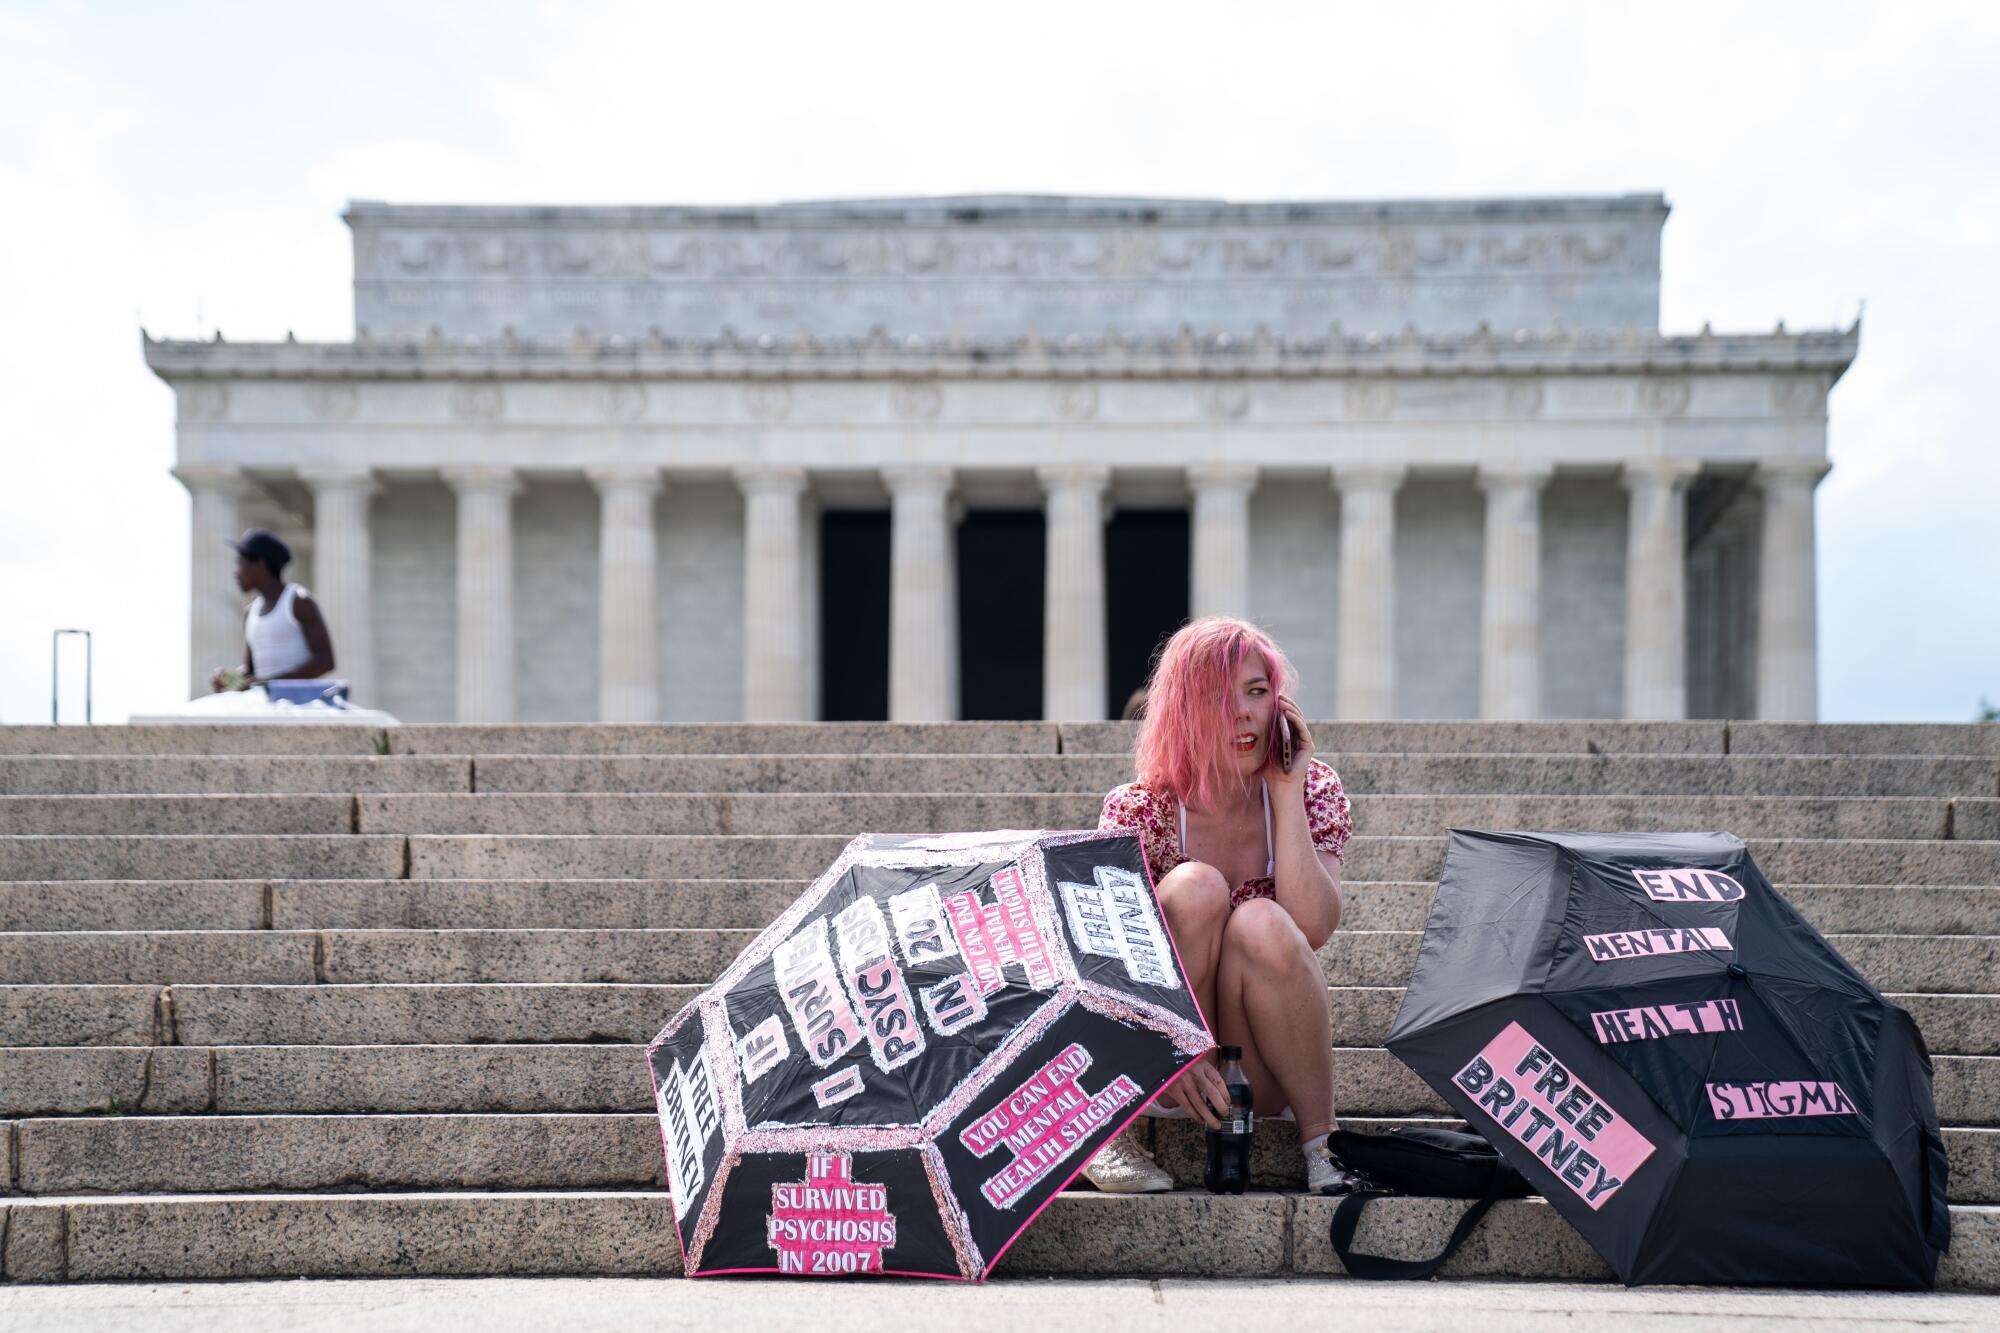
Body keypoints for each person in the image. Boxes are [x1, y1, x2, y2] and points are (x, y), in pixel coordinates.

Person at [1085, 616, 1365, 1196]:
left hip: (1254, 1069)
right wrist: (1181, 1049)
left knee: (1264, 920)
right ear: (1186, 708)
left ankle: (1323, 1143)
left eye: (1258, 692)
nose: (1244, 713)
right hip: (1160, 1060)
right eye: (1220, 696)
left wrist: (1286, 795)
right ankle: (1107, 1132)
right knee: (1197, 887)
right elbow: (1109, 969)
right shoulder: (1141, 809)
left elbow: (1311, 926)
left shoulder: (1311, 790)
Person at [208, 529, 338, 692]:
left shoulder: (299, 602)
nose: (236, 572)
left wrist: (270, 683)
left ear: (260, 565)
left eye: (241, 563)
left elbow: (325, 662)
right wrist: (230, 679)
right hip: (266, 708)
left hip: (299, 709)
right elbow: (252, 673)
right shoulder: (251, 612)